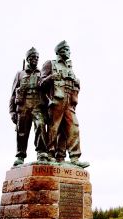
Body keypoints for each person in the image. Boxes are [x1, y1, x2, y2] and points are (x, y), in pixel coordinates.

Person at [40, 40, 89, 168]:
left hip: (69, 102)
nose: (69, 52)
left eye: (69, 50)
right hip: (57, 100)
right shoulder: (50, 64)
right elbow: (40, 84)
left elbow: (75, 85)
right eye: (66, 50)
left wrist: (77, 84)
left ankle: (74, 157)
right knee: (53, 128)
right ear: (60, 51)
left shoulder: (70, 67)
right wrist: (51, 77)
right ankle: (50, 154)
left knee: (73, 128)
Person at [9, 47, 48, 166]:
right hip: (23, 106)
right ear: (28, 59)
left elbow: (47, 92)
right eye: (32, 57)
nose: (35, 60)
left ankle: (41, 152)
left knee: (40, 126)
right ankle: (20, 155)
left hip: (37, 105)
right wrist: (12, 112)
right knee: (22, 132)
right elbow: (12, 94)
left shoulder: (42, 73)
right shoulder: (20, 74)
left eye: (37, 57)